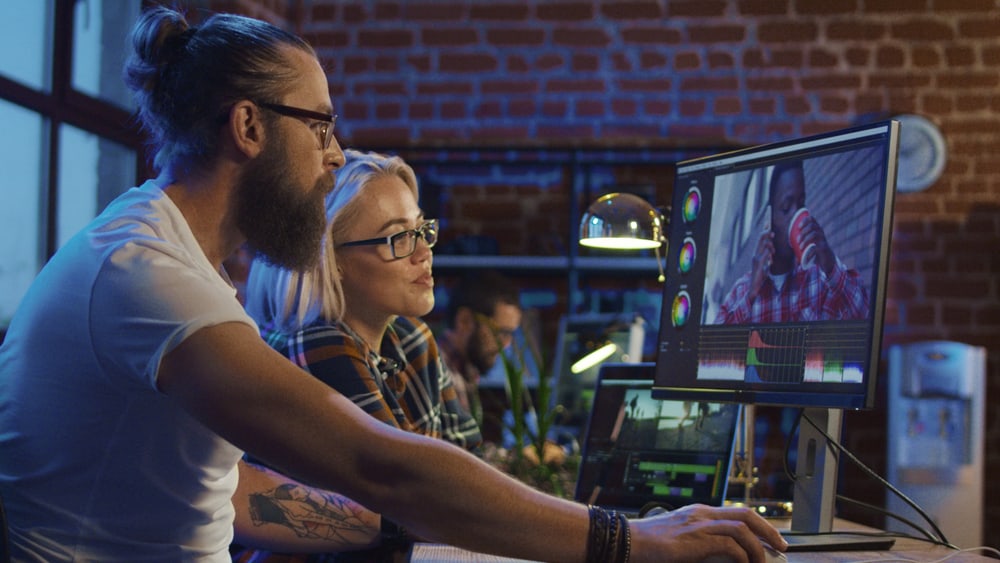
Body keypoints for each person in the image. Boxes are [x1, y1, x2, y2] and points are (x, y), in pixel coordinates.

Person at [0, 6, 786, 562]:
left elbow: (226, 493)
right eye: (322, 126)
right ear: (248, 128)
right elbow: (378, 461)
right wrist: (630, 538)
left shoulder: (168, 255)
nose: (337, 155)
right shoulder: (146, 276)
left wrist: (399, 525)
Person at [235, 149, 482, 560]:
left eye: (422, 230)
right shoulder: (313, 345)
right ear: (332, 261)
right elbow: (415, 492)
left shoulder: (411, 338)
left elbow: (470, 471)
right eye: (398, 238)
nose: (424, 253)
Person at [715, 160, 870, 324]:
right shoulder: (742, 290)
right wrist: (751, 294)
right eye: (786, 207)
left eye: (801, 204)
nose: (797, 215)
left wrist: (830, 262)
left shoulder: (820, 280)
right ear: (770, 218)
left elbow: (865, 315)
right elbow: (713, 344)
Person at [439, 270, 523, 417]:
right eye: (501, 333)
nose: (506, 345)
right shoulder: (440, 376)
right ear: (464, 321)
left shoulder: (463, 373)